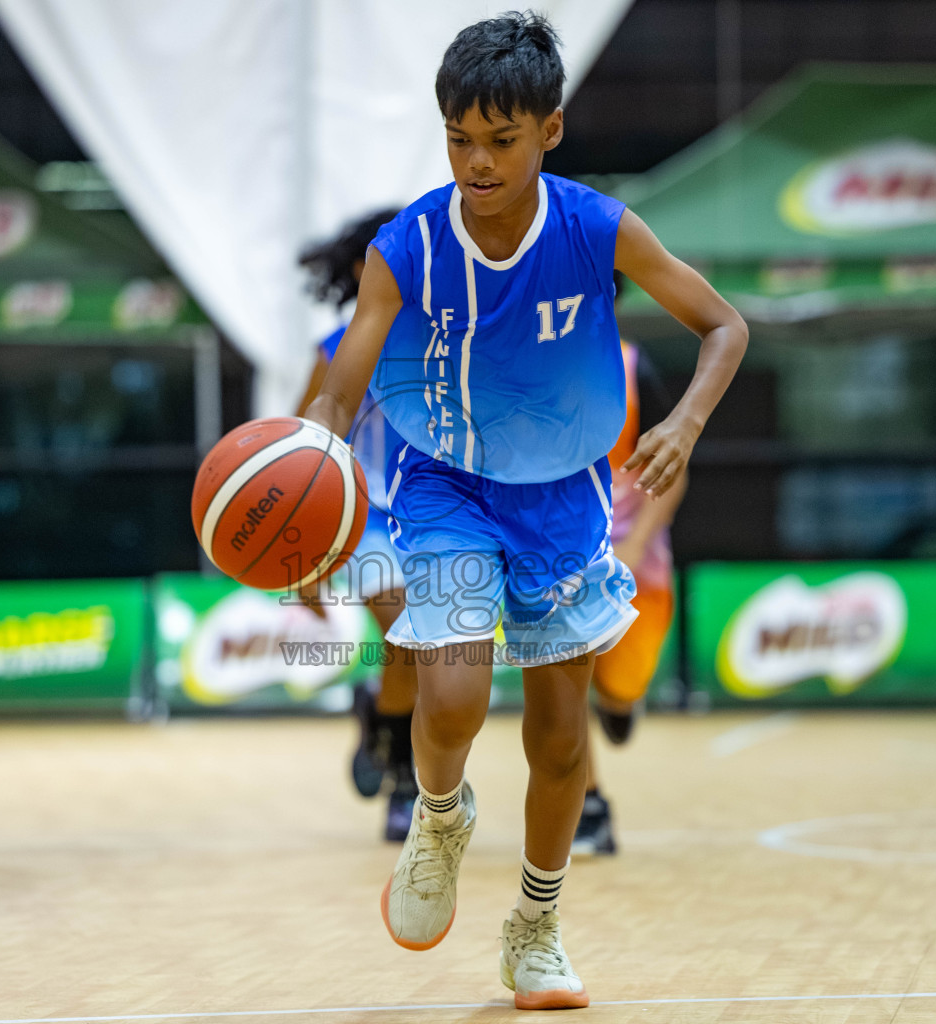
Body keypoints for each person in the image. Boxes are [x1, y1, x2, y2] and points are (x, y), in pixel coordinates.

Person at [302, 12, 747, 1009]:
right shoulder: (406, 244)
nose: (477, 159)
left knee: (558, 739)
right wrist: (316, 452)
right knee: (452, 695)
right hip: (447, 487)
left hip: (564, 501)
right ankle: (441, 814)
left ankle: (536, 929)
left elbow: (726, 325)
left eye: (501, 139)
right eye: (460, 137)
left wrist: (683, 422)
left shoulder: (597, 228)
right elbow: (341, 385)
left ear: (550, 129)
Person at [297, 209, 420, 842]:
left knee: (431, 654)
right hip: (366, 518)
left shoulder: (441, 334)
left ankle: (379, 711)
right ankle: (405, 784)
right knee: (409, 641)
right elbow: (301, 452)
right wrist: (303, 563)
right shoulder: (333, 349)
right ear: (360, 271)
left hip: (433, 510)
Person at [572, 335, 687, 858]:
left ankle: (619, 703)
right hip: (562, 542)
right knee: (560, 672)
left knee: (620, 684)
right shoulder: (525, 354)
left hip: (634, 547)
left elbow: (675, 468)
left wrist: (637, 545)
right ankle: (589, 805)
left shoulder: (634, 365)